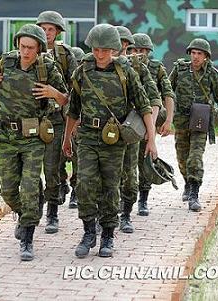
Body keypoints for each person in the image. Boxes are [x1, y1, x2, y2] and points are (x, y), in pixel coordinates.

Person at [62, 24, 158, 258]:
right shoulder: (83, 71)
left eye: (105, 50)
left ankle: (107, 235)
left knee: (110, 187)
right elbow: (73, 108)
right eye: (96, 49)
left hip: (114, 140)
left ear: (114, 49)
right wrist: (66, 139)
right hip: (86, 138)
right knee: (84, 185)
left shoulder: (126, 72)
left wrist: (151, 139)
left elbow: (144, 106)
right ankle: (87, 232)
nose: (100, 54)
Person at [0, 24, 67, 260]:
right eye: (22, 46)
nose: (26, 52)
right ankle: (25, 213)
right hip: (7, 137)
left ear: (40, 48)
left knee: (29, 187)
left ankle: (28, 238)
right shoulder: (7, 61)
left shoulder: (47, 67)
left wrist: (54, 93)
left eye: (30, 48)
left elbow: (66, 99)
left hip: (33, 138)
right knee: (8, 189)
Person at [169, 38, 218, 212]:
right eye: (193, 53)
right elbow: (166, 91)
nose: (195, 57)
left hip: (201, 120)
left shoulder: (212, 73)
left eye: (199, 54)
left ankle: (194, 194)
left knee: (195, 157)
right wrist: (165, 118)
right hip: (181, 120)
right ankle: (188, 182)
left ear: (206, 57)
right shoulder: (179, 70)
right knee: (182, 158)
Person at [114, 26, 162, 234]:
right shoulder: (93, 65)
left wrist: (150, 134)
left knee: (129, 175)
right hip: (101, 131)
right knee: (104, 176)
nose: (121, 48)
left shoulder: (137, 67)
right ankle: (105, 215)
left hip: (129, 131)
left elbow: (153, 99)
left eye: (125, 44)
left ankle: (125, 214)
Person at [36, 11, 78, 233]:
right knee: (31, 170)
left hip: (56, 119)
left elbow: (75, 89)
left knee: (52, 169)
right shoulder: (27, 51)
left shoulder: (65, 55)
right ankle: (30, 214)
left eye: (50, 29)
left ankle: (52, 213)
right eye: (42, 28)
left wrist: (58, 97)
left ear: (58, 32)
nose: (46, 32)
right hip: (31, 119)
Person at [129, 33, 175, 216]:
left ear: (148, 51)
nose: (138, 54)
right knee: (127, 163)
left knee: (146, 159)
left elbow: (168, 94)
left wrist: (168, 121)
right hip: (128, 120)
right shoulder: (125, 65)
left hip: (150, 118)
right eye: (135, 50)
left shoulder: (156, 68)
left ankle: (143, 200)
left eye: (142, 51)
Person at [58, 46, 85, 209]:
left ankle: (75, 189)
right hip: (59, 121)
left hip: (77, 122)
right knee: (57, 158)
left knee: (77, 159)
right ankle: (62, 183)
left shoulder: (82, 80)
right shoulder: (59, 78)